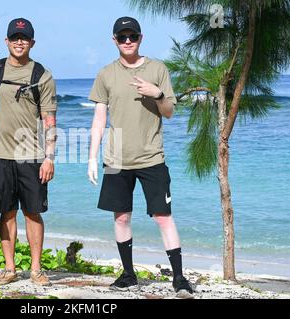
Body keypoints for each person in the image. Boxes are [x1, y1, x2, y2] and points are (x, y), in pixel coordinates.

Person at [87, 16, 193, 298]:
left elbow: (169, 112)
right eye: (122, 37)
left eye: (131, 36)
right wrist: (91, 158)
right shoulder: (105, 74)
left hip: (152, 157)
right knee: (121, 217)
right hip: (116, 159)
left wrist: (157, 94)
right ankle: (128, 274)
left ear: (140, 38)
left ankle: (180, 278)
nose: (127, 41)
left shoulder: (157, 68)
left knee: (163, 217)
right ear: (114, 41)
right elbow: (99, 119)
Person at [0, 18, 57, 286]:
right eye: (14, 37)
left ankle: (36, 269)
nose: (19, 42)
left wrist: (49, 157)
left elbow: (49, 119)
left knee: (33, 212)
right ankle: (10, 268)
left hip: (32, 155)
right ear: (6, 41)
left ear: (32, 43)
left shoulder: (42, 76)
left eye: (24, 38)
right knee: (7, 212)